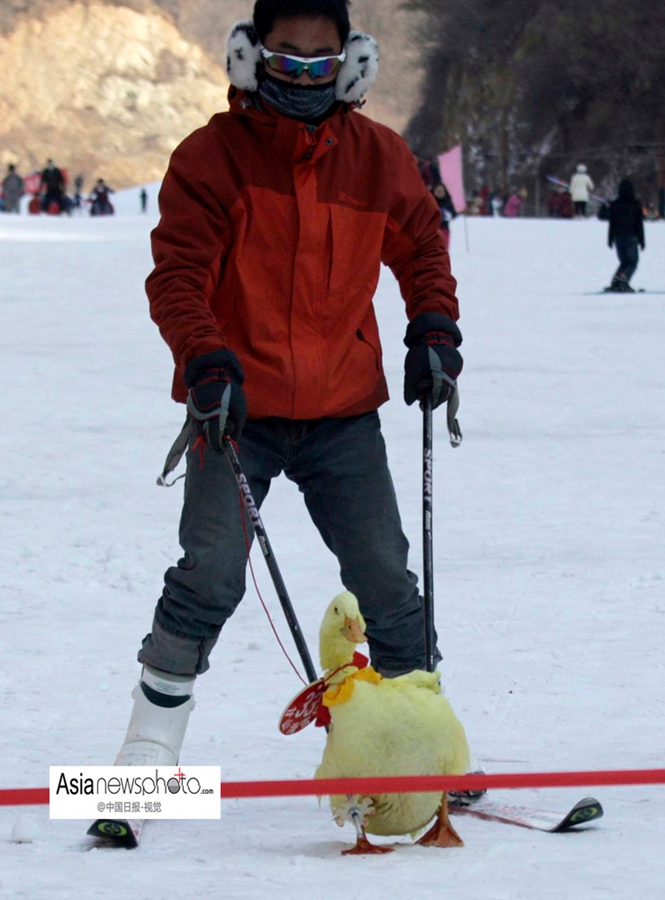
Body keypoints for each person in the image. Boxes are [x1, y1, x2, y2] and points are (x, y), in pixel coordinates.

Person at [114, 0, 463, 770]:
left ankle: (420, 743)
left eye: (319, 62)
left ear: (350, 63)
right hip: (236, 413)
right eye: (286, 59)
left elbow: (422, 252)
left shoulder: (377, 158)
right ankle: (147, 756)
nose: (303, 76)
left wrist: (432, 327)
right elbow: (177, 275)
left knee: (383, 574)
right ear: (250, 57)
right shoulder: (213, 157)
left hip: (343, 412)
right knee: (208, 575)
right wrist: (204, 357)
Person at [606, 178, 645, 292]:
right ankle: (623, 281)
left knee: (624, 262)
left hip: (618, 237)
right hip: (631, 237)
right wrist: (642, 240)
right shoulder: (635, 204)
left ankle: (616, 282)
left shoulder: (615, 204)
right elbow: (639, 223)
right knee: (632, 262)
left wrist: (610, 238)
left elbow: (612, 223)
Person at [431, 182, 457, 249]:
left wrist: (449, 215)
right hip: (432, 231)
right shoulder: (430, 201)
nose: (440, 193)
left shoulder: (447, 201)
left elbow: (454, 213)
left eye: (441, 191)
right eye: (438, 191)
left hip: (444, 229)